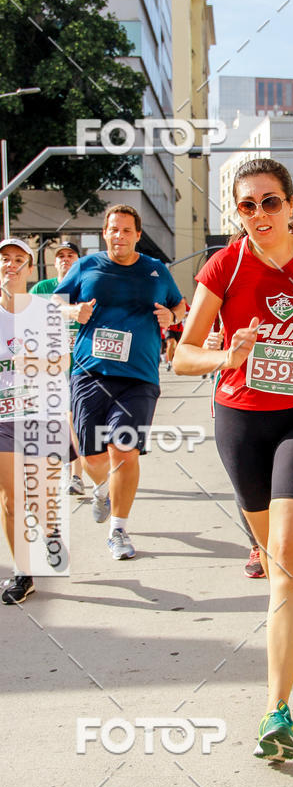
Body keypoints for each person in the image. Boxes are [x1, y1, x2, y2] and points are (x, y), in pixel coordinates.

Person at [174, 158, 293, 761]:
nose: (259, 214)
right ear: (237, 211)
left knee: (288, 557)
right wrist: (226, 359)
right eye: (248, 205)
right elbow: (183, 357)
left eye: (271, 202)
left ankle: (276, 710)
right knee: (271, 553)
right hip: (241, 420)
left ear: (291, 205)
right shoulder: (224, 266)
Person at [55, 205, 185, 560]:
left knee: (123, 450)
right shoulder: (87, 267)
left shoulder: (155, 271)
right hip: (89, 372)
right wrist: (72, 312)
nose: (120, 236)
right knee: (92, 454)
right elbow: (54, 301)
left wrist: (171, 315)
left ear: (138, 235)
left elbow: (181, 305)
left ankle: (119, 530)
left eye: (127, 230)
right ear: (105, 232)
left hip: (138, 376)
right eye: (114, 230)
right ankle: (102, 489)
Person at [0, 238, 70, 604]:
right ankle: (22, 572)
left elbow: (61, 365)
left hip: (39, 414)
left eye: (18, 260)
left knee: (39, 499)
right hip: (2, 419)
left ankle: (50, 531)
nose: (10, 265)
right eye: (5, 259)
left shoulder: (44, 311)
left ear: (29, 269)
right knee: (12, 500)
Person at [31, 241, 85, 495]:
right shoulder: (43, 288)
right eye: (60, 256)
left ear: (78, 259)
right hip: (51, 364)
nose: (65, 259)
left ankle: (76, 475)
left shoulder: (86, 287)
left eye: (70, 255)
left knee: (72, 419)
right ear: (54, 262)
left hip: (82, 365)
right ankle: (70, 468)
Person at [164, 301, 190, 371]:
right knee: (170, 343)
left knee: (179, 346)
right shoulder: (167, 302)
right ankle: (169, 362)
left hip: (179, 329)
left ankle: (180, 361)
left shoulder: (182, 303)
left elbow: (191, 312)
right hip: (169, 328)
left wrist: (183, 315)